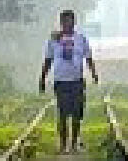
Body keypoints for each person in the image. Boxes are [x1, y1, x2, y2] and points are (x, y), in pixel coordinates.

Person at [38, 9, 98, 153]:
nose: (67, 24)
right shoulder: (54, 40)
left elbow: (88, 57)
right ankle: (63, 145)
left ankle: (74, 143)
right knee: (63, 114)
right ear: (61, 23)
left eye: (70, 21)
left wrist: (94, 73)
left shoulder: (81, 39)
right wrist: (43, 78)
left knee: (77, 113)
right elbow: (48, 60)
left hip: (77, 81)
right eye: (64, 21)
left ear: (74, 22)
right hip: (61, 81)